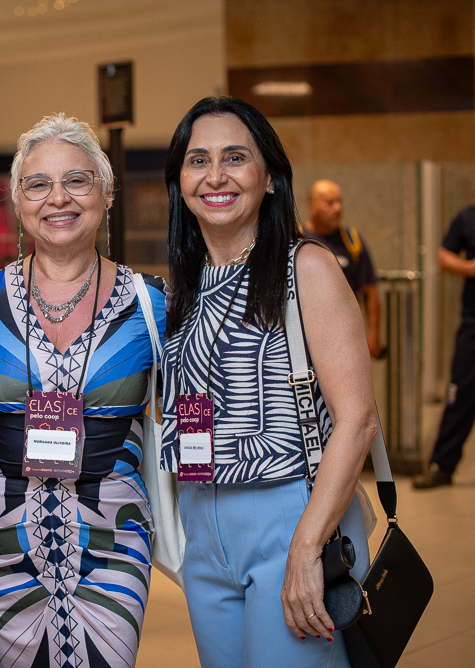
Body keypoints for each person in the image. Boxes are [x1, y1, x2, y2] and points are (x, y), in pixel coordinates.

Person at [160, 97, 377, 667]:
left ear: (272, 178)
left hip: (289, 518)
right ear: (179, 179)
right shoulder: (184, 284)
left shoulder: (304, 266)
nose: (215, 176)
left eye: (236, 157)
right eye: (197, 159)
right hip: (203, 524)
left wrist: (305, 548)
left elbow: (358, 419)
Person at [0, 113, 166, 668]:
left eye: (77, 180)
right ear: (18, 200)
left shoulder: (150, 305)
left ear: (106, 194)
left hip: (115, 534)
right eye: (38, 184)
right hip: (1, 537)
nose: (58, 198)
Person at [412, 155, 475, 494]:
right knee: (462, 397)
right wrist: (473, 268)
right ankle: (443, 465)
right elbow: (443, 255)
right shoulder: (470, 218)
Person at [302, 179, 382, 357]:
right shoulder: (296, 239)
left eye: (339, 202)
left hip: (346, 336)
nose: (337, 208)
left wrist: (374, 333)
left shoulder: (352, 240)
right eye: (330, 203)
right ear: (311, 207)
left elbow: (370, 290)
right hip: (305, 337)